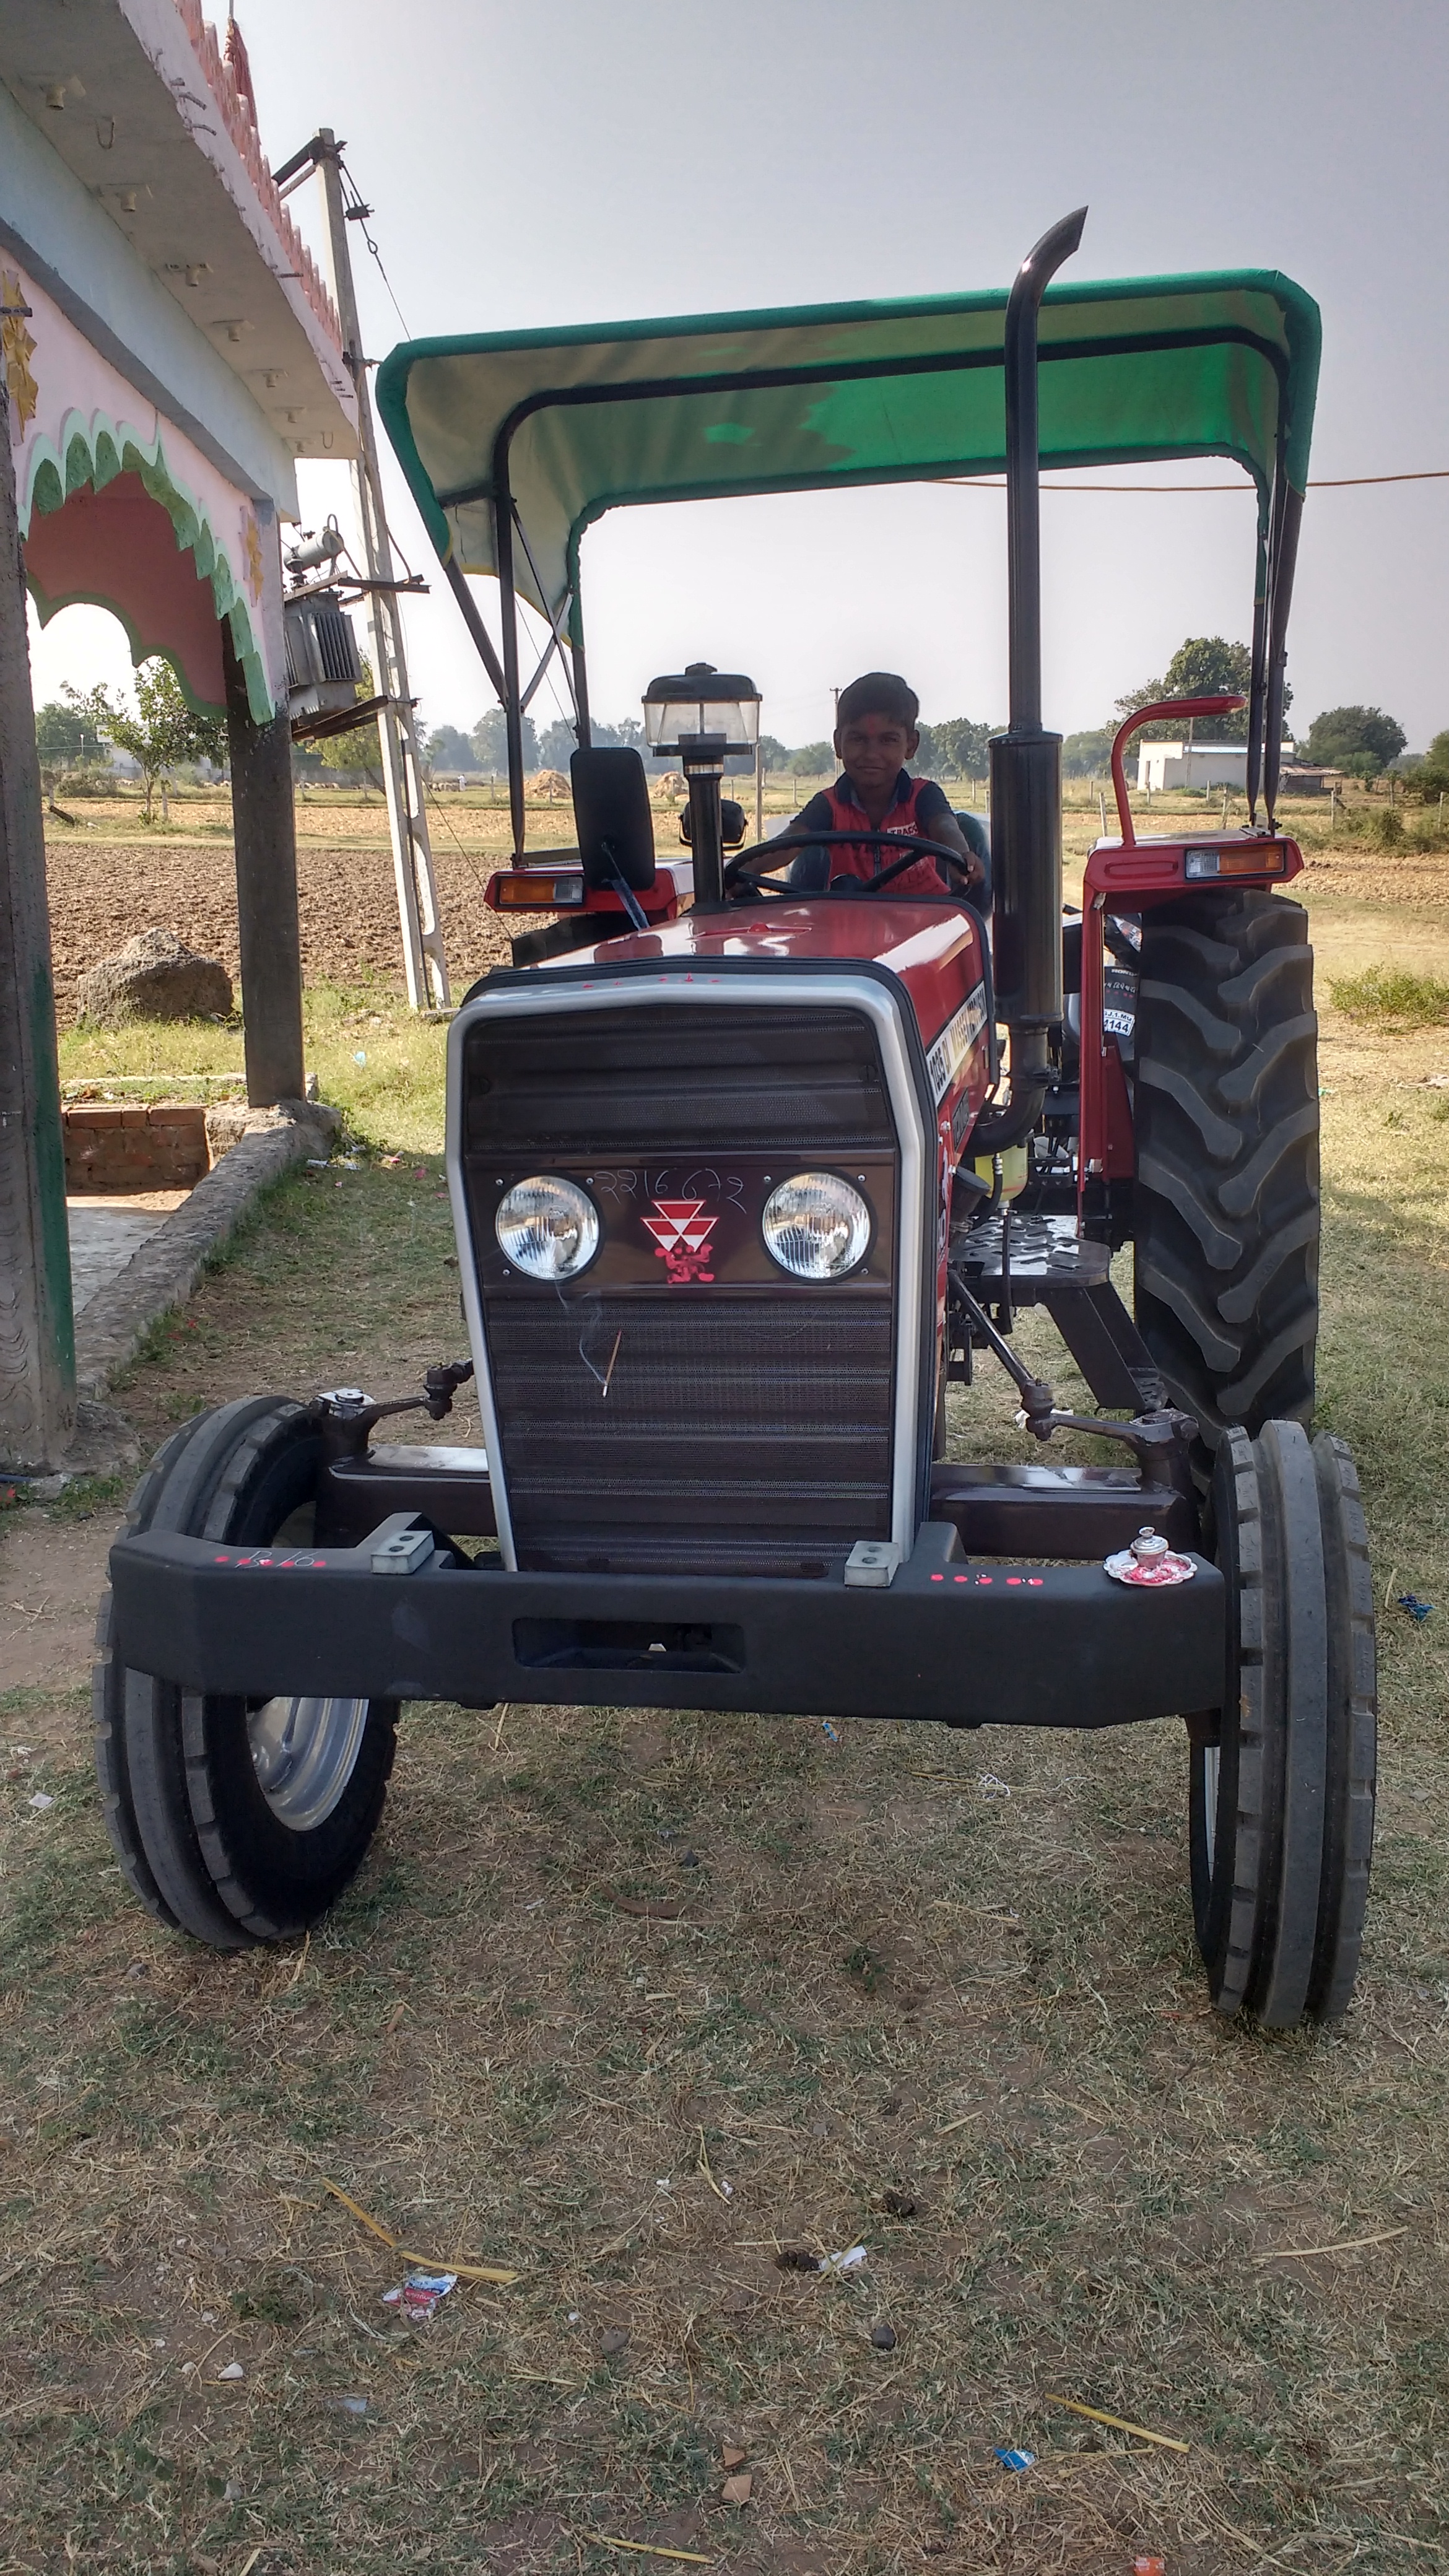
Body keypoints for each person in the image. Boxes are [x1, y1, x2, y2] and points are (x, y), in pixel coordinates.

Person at [788, 672, 985, 899]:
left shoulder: (922, 796)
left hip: (926, 914)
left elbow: (945, 826)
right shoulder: (829, 805)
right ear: (838, 744)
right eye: (858, 739)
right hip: (852, 915)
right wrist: (752, 866)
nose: (872, 754)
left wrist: (961, 855)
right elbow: (788, 843)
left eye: (888, 740)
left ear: (911, 745)